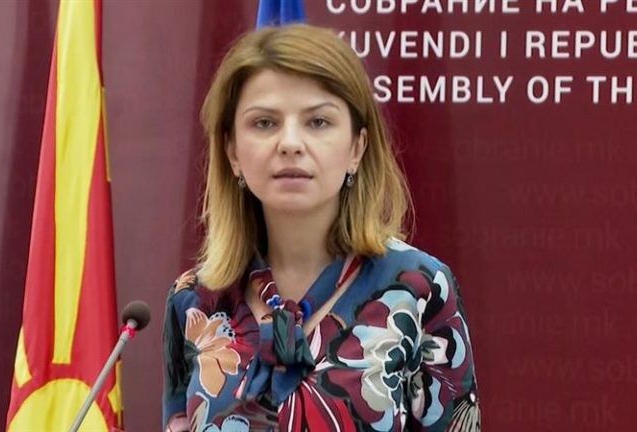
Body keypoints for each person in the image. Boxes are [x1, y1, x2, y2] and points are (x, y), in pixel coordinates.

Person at [162, 24, 480, 432]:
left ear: (357, 148)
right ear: (232, 152)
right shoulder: (193, 299)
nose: (290, 143)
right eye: (265, 123)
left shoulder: (420, 288)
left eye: (318, 122)